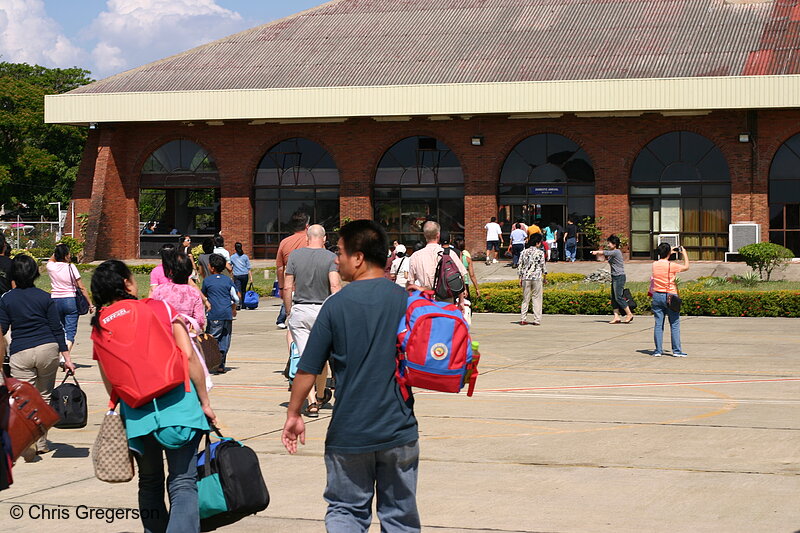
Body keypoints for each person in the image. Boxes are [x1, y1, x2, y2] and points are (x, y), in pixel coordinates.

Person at [281, 220, 420, 533]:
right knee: (400, 518)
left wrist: (294, 412)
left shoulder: (335, 306)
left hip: (350, 432)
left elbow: (308, 367)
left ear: (358, 258)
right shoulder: (407, 301)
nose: (336, 259)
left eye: (340, 252)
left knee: (346, 513)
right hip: (398, 429)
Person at [90, 260, 217, 532]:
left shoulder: (99, 325)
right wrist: (204, 401)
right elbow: (190, 357)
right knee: (183, 482)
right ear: (126, 284)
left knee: (149, 482)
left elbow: (109, 380)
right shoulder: (160, 308)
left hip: (137, 414)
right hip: (179, 405)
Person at [0, 255, 74, 458]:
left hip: (21, 351)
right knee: (44, 397)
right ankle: (41, 441)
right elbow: (57, 329)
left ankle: (27, 442)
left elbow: (2, 329)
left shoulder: (7, 298)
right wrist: (66, 357)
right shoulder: (45, 297)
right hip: (47, 349)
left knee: (22, 399)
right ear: (34, 273)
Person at [283, 225, 341, 416]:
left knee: (305, 358)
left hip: (301, 308)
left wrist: (290, 310)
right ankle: (321, 391)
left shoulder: (295, 256)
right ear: (324, 239)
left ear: (307, 238)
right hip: (323, 310)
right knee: (322, 357)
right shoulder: (331, 258)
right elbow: (334, 285)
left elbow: (287, 287)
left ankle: (312, 401)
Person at [46, 243, 95, 353]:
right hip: (70, 300)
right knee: (70, 331)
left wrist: (58, 249)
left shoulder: (51, 267)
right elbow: (81, 287)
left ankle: (60, 354)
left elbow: (51, 258)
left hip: (55, 300)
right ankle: (65, 356)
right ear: (66, 255)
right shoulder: (71, 267)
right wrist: (90, 304)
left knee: (60, 329)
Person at [408, 221, 467, 305]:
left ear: (424, 235)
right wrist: (461, 301)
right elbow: (460, 276)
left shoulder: (415, 256)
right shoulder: (449, 253)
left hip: (426, 300)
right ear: (438, 235)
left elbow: (411, 283)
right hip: (446, 301)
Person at [202, 254, 238, 374]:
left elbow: (204, 296)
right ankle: (221, 364)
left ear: (211, 268)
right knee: (225, 338)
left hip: (214, 314)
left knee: (212, 338)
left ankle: (210, 363)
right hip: (227, 314)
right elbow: (236, 297)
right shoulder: (228, 280)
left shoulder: (207, 281)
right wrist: (234, 308)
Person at [651, 243, 690, 357]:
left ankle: (658, 350)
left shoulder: (654, 264)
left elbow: (662, 257)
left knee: (658, 324)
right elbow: (686, 267)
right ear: (669, 253)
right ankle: (676, 351)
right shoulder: (671, 265)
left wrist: (668, 250)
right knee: (674, 323)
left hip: (657, 295)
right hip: (670, 295)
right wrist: (684, 253)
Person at [151, 252, 206, 331]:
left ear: (171, 271)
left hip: (165, 334)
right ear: (189, 272)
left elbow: (154, 315)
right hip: (186, 336)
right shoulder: (193, 293)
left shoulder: (159, 290)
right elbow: (200, 320)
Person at [275, 211, 310, 330]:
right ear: (307, 226)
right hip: (311, 290)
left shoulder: (284, 243)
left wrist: (280, 287)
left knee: (294, 328)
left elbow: (280, 268)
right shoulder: (312, 241)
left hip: (291, 289)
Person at [591, 235, 634, 324]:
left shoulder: (617, 252)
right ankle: (616, 317)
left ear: (614, 244)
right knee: (614, 298)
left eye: (609, 243)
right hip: (614, 276)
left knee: (618, 297)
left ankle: (629, 314)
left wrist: (596, 252)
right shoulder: (613, 252)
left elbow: (605, 252)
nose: (608, 244)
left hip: (619, 276)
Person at [517, 233, 547, 326]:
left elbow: (520, 266)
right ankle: (536, 320)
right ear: (538, 243)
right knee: (537, 298)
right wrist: (545, 277)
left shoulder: (523, 252)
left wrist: (520, 278)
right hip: (537, 277)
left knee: (525, 298)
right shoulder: (540, 253)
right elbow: (543, 266)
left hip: (526, 277)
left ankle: (523, 319)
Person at [230, 242, 253, 309]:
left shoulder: (232, 257)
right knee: (243, 290)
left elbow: (230, 268)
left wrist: (231, 277)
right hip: (245, 275)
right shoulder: (245, 256)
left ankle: (238, 304)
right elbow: (248, 267)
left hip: (237, 275)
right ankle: (244, 304)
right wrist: (251, 277)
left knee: (238, 290)